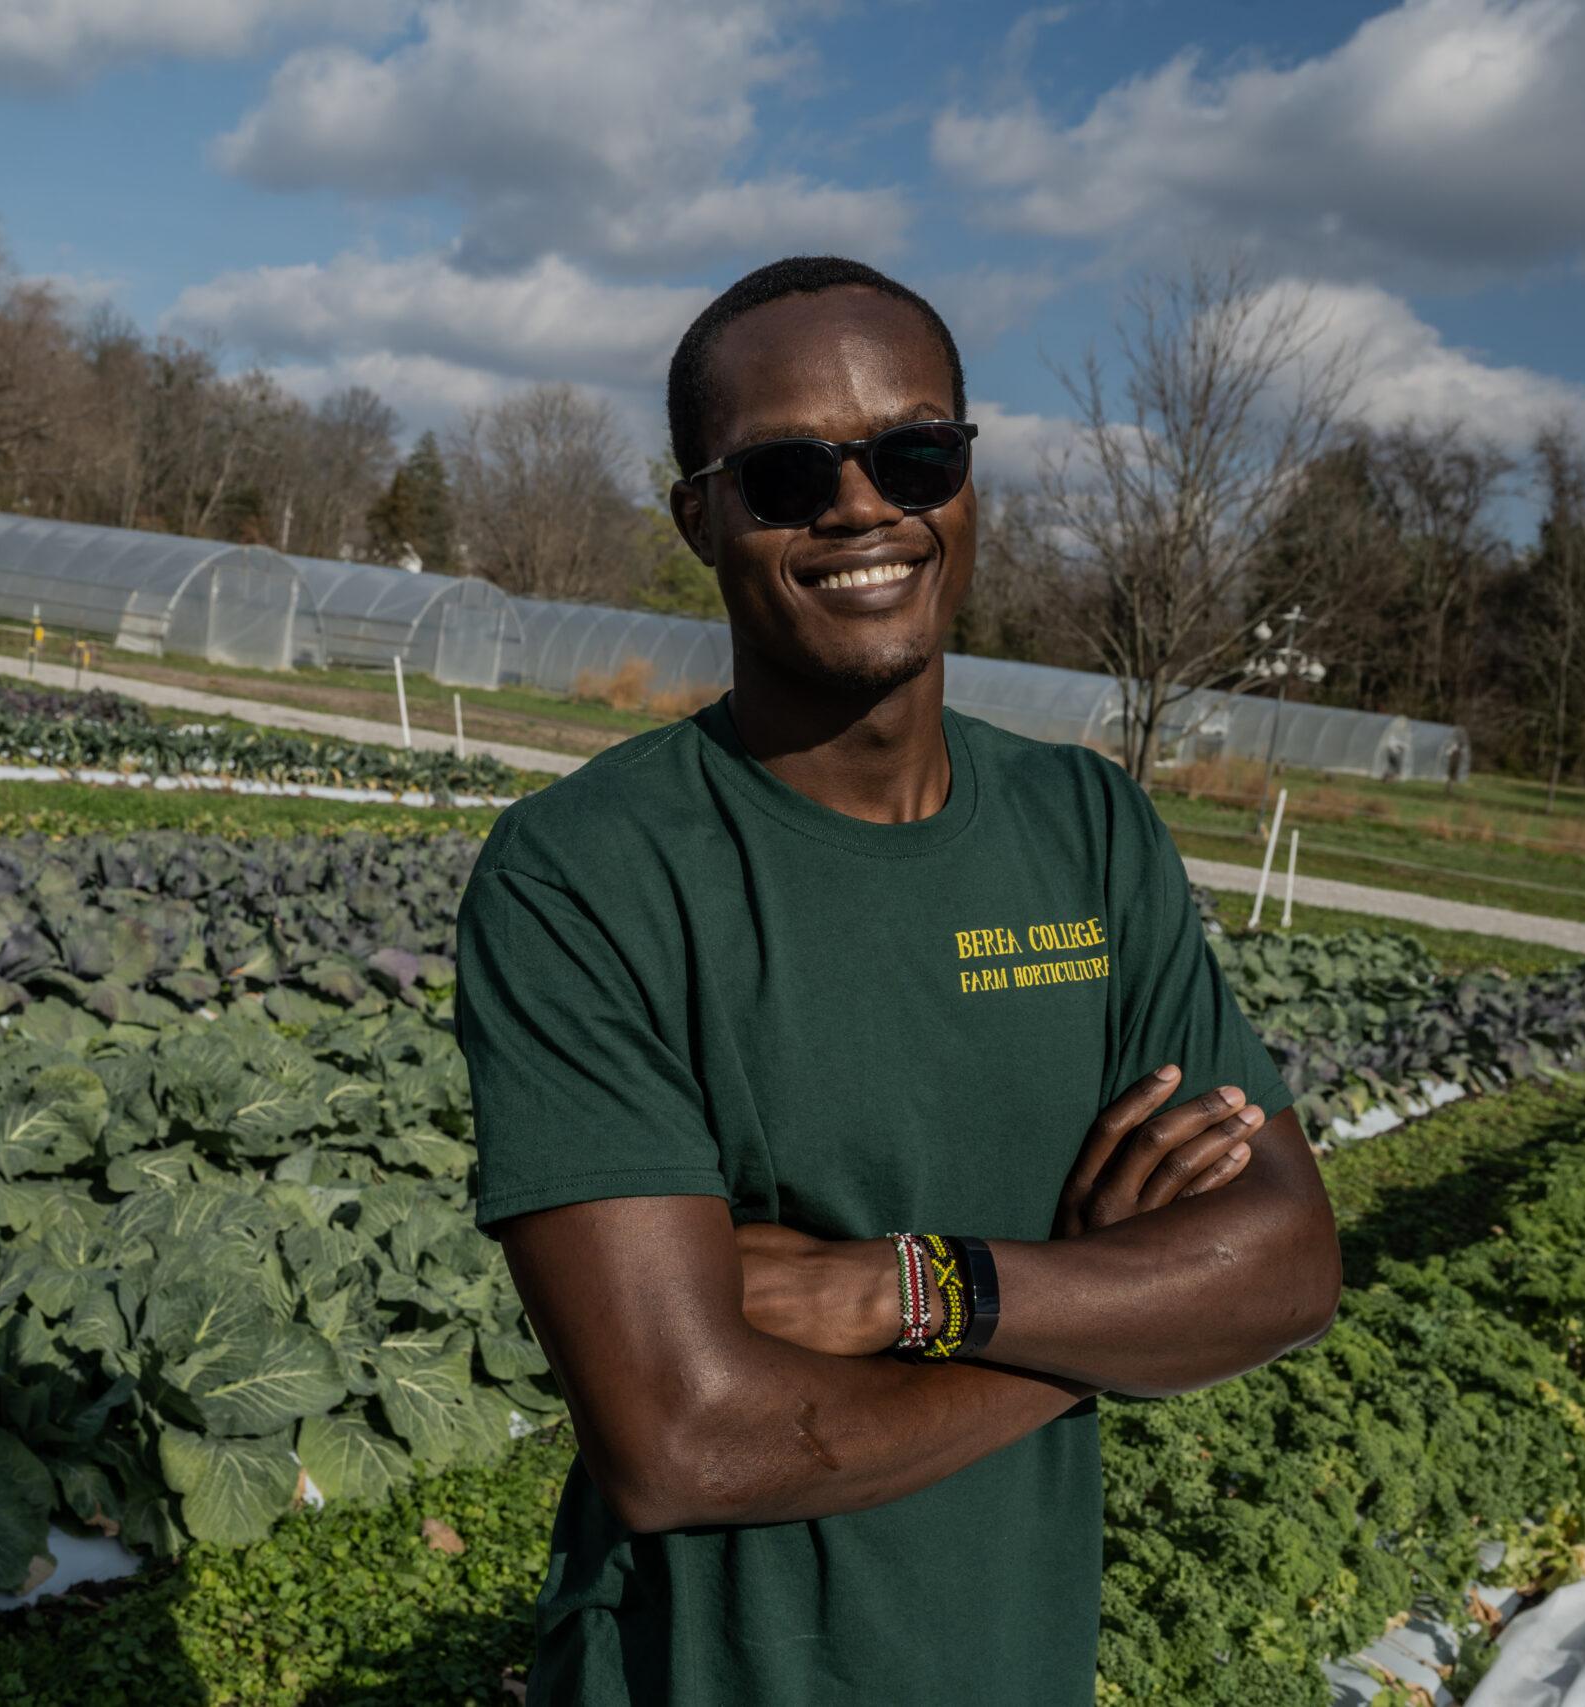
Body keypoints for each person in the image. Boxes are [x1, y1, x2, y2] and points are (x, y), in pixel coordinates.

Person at [453, 255, 1342, 1704]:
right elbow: (685, 1442)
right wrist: (1097, 1321)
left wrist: (914, 1289)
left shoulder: (1090, 832)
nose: (864, 506)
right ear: (702, 519)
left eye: (916, 453)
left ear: (966, 481)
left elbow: (1290, 1265)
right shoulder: (588, 877)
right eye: (790, 474)